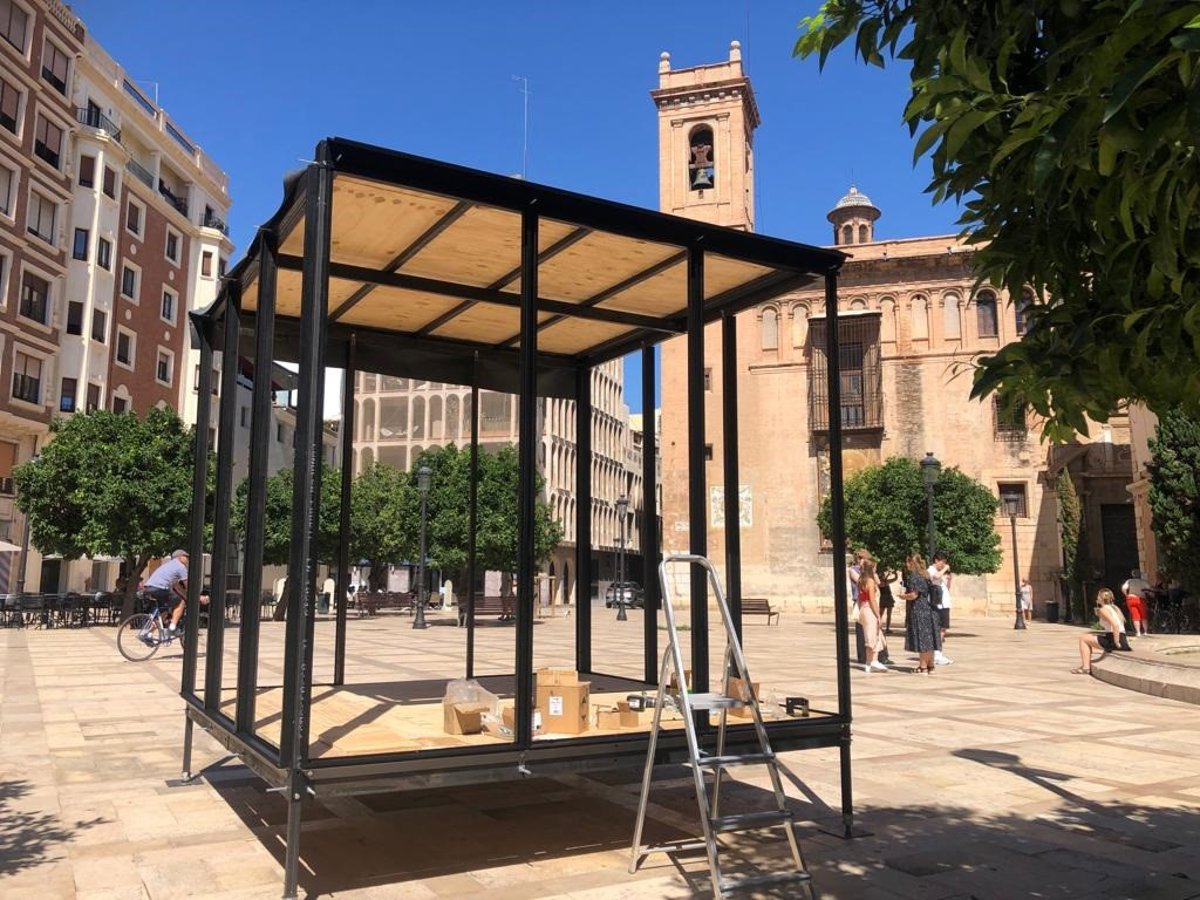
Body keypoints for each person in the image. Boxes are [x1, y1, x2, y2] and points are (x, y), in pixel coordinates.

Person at [900, 552, 941, 674]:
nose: (906, 565)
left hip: (919, 610)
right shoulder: (926, 574)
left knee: (922, 639)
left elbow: (914, 595)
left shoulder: (913, 576)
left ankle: (922, 666)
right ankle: (931, 666)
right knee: (930, 638)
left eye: (907, 562)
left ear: (911, 563)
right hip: (930, 609)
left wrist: (903, 596)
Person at [1074, 588, 1131, 673]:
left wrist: (1116, 642)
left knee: (1083, 639)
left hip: (1115, 640)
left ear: (1101, 598)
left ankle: (1086, 667)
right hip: (1122, 638)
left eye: (1098, 596)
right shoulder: (1115, 608)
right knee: (1090, 636)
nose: (1096, 598)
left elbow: (1115, 625)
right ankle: (1089, 664)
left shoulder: (1103, 609)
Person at [143, 549, 189, 634]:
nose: (188, 559)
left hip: (148, 588)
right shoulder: (180, 566)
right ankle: (172, 628)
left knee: (163, 612)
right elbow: (188, 586)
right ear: (180, 557)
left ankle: (148, 634)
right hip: (159, 588)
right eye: (186, 556)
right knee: (181, 602)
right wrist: (196, 597)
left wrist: (186, 596)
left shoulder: (168, 566)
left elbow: (176, 586)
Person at [857, 560, 888, 673]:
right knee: (873, 636)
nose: (876, 570)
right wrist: (878, 615)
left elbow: (860, 598)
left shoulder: (861, 580)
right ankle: (873, 661)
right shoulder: (870, 581)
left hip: (863, 608)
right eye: (875, 568)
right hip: (869, 609)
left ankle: (869, 663)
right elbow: (872, 600)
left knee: (870, 635)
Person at [928, 552, 954, 666]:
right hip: (938, 604)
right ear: (936, 561)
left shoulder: (940, 572)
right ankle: (937, 654)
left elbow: (946, 589)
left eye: (945, 563)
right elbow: (936, 577)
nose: (944, 565)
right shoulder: (931, 570)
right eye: (942, 562)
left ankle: (938, 653)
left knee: (943, 629)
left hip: (944, 603)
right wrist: (945, 568)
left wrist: (949, 580)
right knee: (939, 629)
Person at [1121, 570, 1150, 637]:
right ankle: (1145, 632)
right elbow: (1149, 589)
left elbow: (1123, 588)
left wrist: (1126, 595)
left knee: (1135, 616)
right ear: (1140, 575)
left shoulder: (1129, 581)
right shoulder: (1143, 582)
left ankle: (1138, 632)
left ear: (1132, 575)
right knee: (1143, 616)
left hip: (1131, 598)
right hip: (1141, 599)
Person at [878, 569, 897, 635]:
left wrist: (894, 573)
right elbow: (895, 579)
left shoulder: (882, 582)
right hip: (886, 598)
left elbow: (895, 579)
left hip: (885, 598)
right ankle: (883, 628)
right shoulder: (881, 582)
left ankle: (884, 628)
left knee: (883, 614)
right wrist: (890, 575)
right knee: (884, 614)